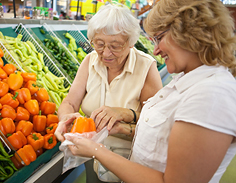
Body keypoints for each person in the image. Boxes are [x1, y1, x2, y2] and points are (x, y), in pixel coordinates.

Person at [64, 0, 236, 182]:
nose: (156, 50)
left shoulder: (212, 95)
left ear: (189, 33)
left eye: (159, 38)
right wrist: (121, 127)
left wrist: (95, 150)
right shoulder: (188, 81)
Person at [54, 3, 162, 183]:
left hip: (130, 162)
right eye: (99, 44)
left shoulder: (146, 66)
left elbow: (157, 125)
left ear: (130, 42)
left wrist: (126, 115)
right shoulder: (90, 61)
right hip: (90, 157)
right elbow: (70, 103)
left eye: (115, 45)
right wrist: (65, 118)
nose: (105, 53)